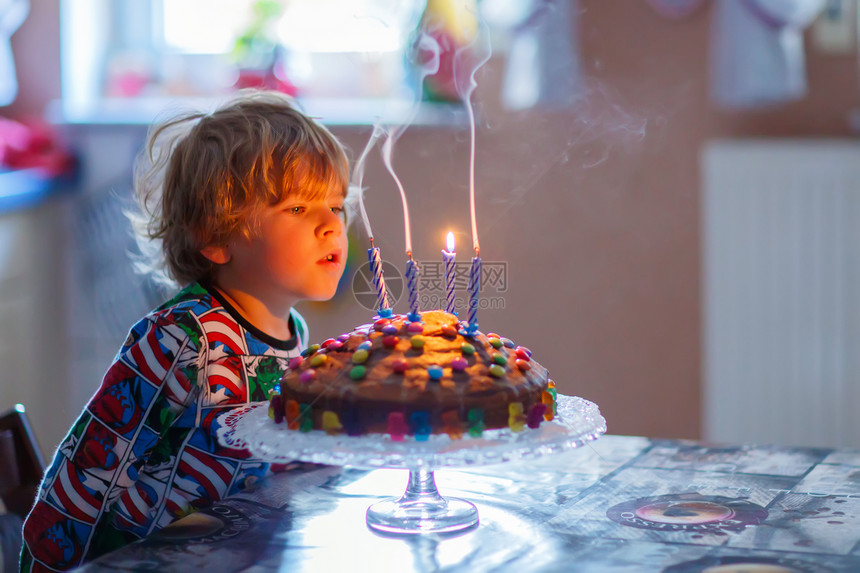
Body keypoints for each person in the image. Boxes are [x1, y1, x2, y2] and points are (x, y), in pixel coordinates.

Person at [20, 90, 350, 571]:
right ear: (217, 237)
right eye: (299, 209)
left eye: (336, 206)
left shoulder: (294, 333)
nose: (331, 226)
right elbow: (92, 466)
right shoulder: (185, 338)